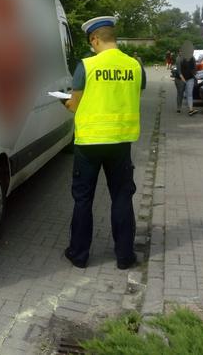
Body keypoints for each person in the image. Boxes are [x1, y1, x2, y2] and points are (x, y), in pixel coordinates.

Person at [64, 16, 145, 270]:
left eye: (92, 42)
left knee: (83, 199)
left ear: (95, 39)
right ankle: (124, 256)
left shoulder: (86, 66)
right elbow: (134, 92)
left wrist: (64, 101)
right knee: (121, 197)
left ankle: (78, 255)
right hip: (120, 143)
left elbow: (74, 105)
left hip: (89, 144)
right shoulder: (135, 66)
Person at [178, 42, 198, 116]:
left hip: (189, 79)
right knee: (183, 94)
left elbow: (195, 69)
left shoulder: (192, 58)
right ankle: (180, 108)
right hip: (183, 79)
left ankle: (190, 109)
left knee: (189, 94)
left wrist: (193, 73)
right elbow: (179, 72)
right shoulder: (181, 59)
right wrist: (184, 80)